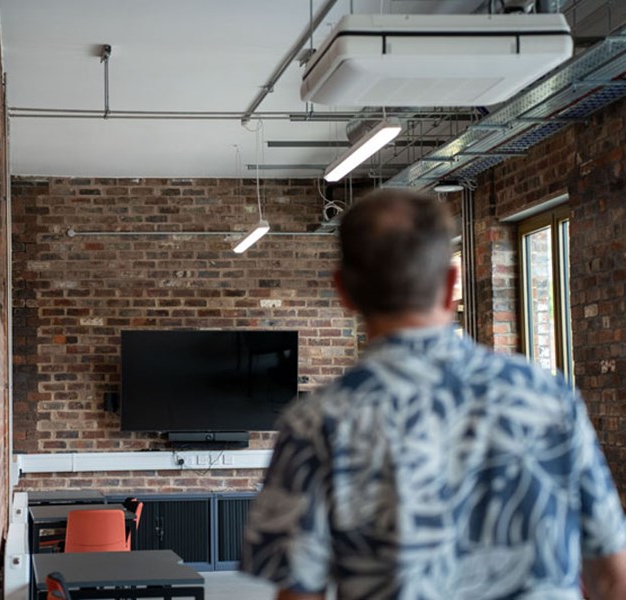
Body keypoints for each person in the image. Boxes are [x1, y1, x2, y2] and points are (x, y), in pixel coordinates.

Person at [240, 189, 626, 599]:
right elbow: (612, 575)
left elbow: (300, 592)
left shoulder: (316, 424)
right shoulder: (548, 398)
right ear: (450, 284)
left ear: (343, 292)